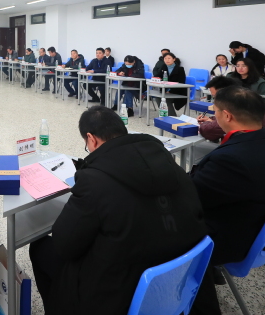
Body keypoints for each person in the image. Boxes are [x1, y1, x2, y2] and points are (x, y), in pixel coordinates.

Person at [29, 106, 207, 314]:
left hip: (120, 295)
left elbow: (64, 245)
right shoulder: (171, 164)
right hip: (177, 283)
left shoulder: (94, 181)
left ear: (91, 139)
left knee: (40, 248)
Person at [189, 86, 265, 315]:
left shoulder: (232, 159)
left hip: (229, 237)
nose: (215, 116)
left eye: (215, 112)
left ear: (227, 116)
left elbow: (190, 198)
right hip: (255, 226)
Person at [197, 76, 265, 183]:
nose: (214, 101)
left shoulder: (227, 156)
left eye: (215, 97)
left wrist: (208, 123)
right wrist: (214, 120)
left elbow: (209, 131)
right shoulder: (252, 103)